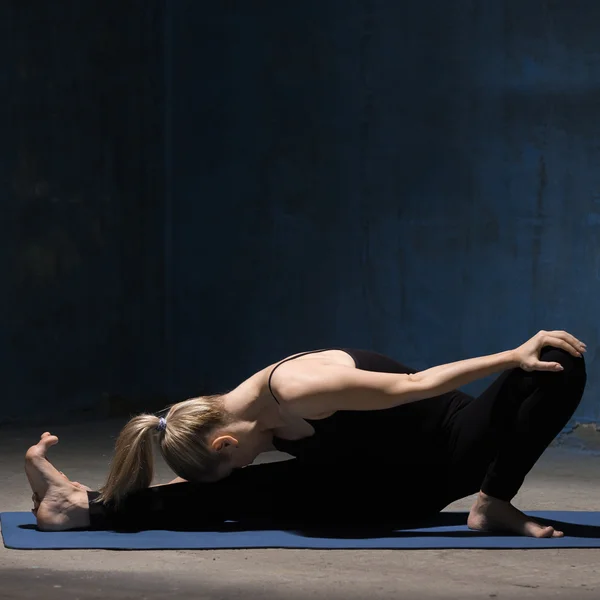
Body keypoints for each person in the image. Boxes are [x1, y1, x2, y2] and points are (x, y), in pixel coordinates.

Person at [26, 329, 587, 538]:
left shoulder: (300, 390)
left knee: (558, 360)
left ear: (225, 442)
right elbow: (230, 477)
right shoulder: (243, 421)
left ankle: (493, 502)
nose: (248, 462)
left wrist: (513, 355)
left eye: (234, 460)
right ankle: (82, 506)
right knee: (235, 495)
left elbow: (420, 382)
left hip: (447, 448)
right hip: (380, 483)